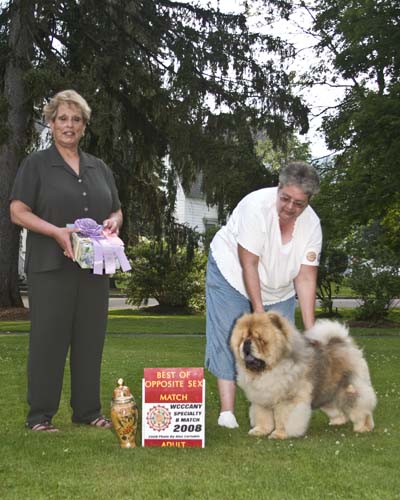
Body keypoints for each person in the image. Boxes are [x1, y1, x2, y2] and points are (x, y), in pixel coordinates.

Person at [10, 90, 123, 432]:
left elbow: (115, 209)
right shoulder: (36, 165)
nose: (69, 125)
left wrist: (114, 222)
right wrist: (56, 232)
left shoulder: (99, 168)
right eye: (62, 118)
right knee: (48, 341)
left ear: (84, 126)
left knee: (90, 339)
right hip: (50, 268)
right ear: (51, 122)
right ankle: (40, 416)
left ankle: (87, 411)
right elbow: (17, 211)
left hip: (94, 269)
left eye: (76, 119)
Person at [205, 161, 322, 429]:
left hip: (279, 286)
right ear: (278, 188)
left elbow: (305, 278)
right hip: (231, 274)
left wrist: (311, 330)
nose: (290, 207)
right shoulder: (255, 207)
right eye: (285, 198)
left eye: (299, 204)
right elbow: (249, 264)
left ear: (308, 201)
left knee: (280, 346)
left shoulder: (312, 226)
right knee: (231, 335)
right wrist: (259, 314)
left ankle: (277, 413)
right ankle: (227, 413)